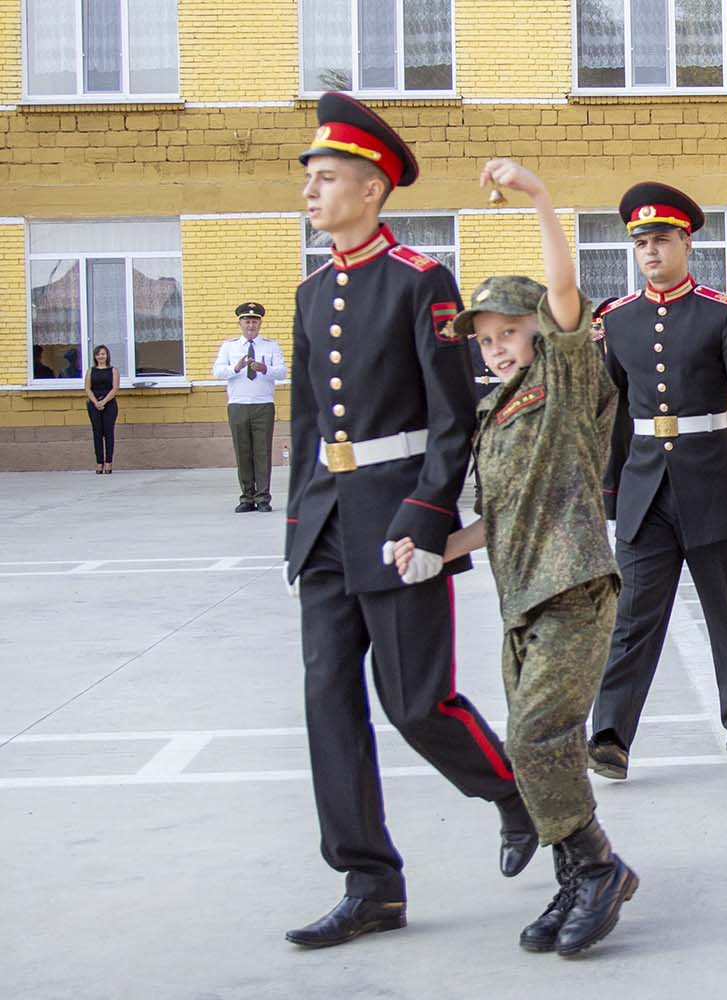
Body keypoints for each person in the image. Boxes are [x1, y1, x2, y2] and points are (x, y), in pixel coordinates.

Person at [282, 93, 536, 950]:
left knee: (416, 703)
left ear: (371, 188)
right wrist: (298, 526)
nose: (311, 193)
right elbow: (307, 423)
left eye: (326, 179)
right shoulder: (310, 290)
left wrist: (429, 520)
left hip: (397, 517)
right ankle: (370, 883)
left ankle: (513, 793)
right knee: (327, 703)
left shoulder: (421, 279)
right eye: (310, 179)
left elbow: (452, 415)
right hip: (328, 522)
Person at [395, 157, 635, 958]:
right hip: (520, 602)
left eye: (509, 333)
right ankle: (578, 874)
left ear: (538, 330)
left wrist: (539, 196)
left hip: (574, 589)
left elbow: (564, 294)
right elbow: (496, 518)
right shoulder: (492, 414)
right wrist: (440, 551)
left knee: (534, 738)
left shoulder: (565, 379)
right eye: (487, 339)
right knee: (540, 748)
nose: (497, 349)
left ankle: (599, 868)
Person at [589, 181, 727, 779]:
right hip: (644, 486)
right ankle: (610, 734)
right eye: (641, 242)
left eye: (662, 240)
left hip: (711, 479)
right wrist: (609, 493)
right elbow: (612, 414)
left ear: (686, 244)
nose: (651, 251)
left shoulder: (721, 312)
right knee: (633, 615)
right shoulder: (618, 319)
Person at [212, 301, 286, 512]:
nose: (251, 325)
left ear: (260, 323)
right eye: (247, 321)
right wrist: (235, 368)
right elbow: (217, 372)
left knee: (262, 452)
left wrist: (265, 369)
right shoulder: (230, 346)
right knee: (242, 452)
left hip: (263, 404)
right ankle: (247, 498)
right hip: (238, 404)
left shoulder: (271, 346)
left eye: (254, 321)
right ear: (240, 324)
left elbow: (282, 372)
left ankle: (263, 498)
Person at [83, 345, 119, 474]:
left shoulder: (113, 370)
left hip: (109, 404)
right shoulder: (90, 371)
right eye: (98, 354)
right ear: (95, 356)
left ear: (107, 355)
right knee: (97, 433)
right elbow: (87, 388)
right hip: (94, 405)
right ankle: (99, 463)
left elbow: (115, 388)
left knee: (109, 434)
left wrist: (104, 402)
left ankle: (109, 462)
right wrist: (96, 402)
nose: (100, 356)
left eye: (103, 354)